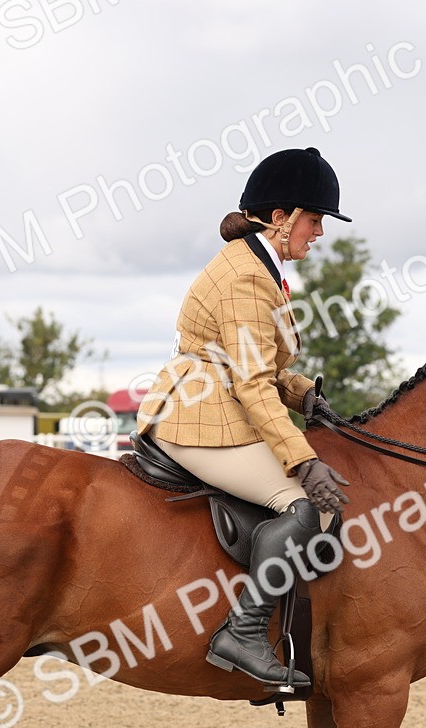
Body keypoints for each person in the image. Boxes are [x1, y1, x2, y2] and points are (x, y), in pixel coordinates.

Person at [136, 147, 352, 690]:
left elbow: (260, 367)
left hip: (213, 402)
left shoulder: (258, 265)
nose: (319, 232)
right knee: (307, 505)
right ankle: (244, 631)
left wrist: (304, 395)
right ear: (279, 218)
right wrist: (303, 460)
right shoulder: (247, 277)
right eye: (314, 219)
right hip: (200, 418)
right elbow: (252, 384)